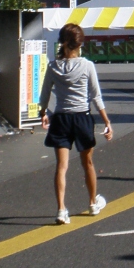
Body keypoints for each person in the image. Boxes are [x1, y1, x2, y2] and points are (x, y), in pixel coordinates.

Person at [39, 22, 114, 224]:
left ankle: (61, 210)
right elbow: (96, 96)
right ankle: (92, 203)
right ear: (80, 44)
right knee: (87, 163)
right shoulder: (87, 66)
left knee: (61, 166)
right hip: (82, 118)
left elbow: (45, 93)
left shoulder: (53, 67)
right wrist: (107, 121)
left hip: (61, 119)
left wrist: (43, 112)